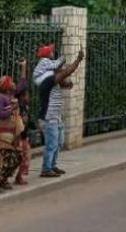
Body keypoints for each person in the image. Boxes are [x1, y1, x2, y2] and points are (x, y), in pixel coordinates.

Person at [33, 44, 85, 178]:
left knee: (58, 142)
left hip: (56, 116)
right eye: (50, 52)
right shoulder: (48, 79)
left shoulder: (52, 79)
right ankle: (46, 169)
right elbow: (66, 73)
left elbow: (64, 79)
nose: (53, 53)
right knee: (51, 144)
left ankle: (52, 165)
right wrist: (78, 60)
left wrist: (67, 83)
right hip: (49, 117)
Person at [0, 75, 23, 193]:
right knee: (9, 160)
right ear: (7, 85)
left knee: (17, 158)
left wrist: (23, 68)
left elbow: (22, 84)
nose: (14, 83)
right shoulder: (2, 98)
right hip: (3, 134)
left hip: (11, 133)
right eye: (11, 82)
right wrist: (12, 109)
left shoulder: (11, 96)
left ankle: (1, 181)